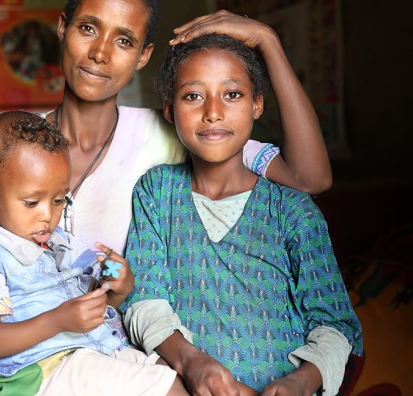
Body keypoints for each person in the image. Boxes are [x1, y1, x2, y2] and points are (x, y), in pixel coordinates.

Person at [0, 0, 333, 394]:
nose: (100, 53)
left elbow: (309, 176)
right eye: (88, 28)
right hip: (27, 361)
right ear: (62, 28)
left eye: (124, 40)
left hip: (117, 360)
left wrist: (267, 40)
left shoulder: (176, 132)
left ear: (143, 56)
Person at [122, 33, 363, 395]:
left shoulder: (292, 209)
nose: (213, 111)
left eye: (232, 94)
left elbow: (335, 324)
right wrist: (189, 360)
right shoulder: (157, 192)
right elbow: (144, 300)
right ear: (170, 110)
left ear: (257, 105)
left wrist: (300, 381)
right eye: (193, 96)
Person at [0, 110, 187, 395]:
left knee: (164, 370)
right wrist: (57, 320)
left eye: (59, 200)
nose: (47, 216)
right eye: (31, 202)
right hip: (43, 368)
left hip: (94, 348)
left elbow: (99, 299)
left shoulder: (56, 240)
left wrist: (116, 282)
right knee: (164, 387)